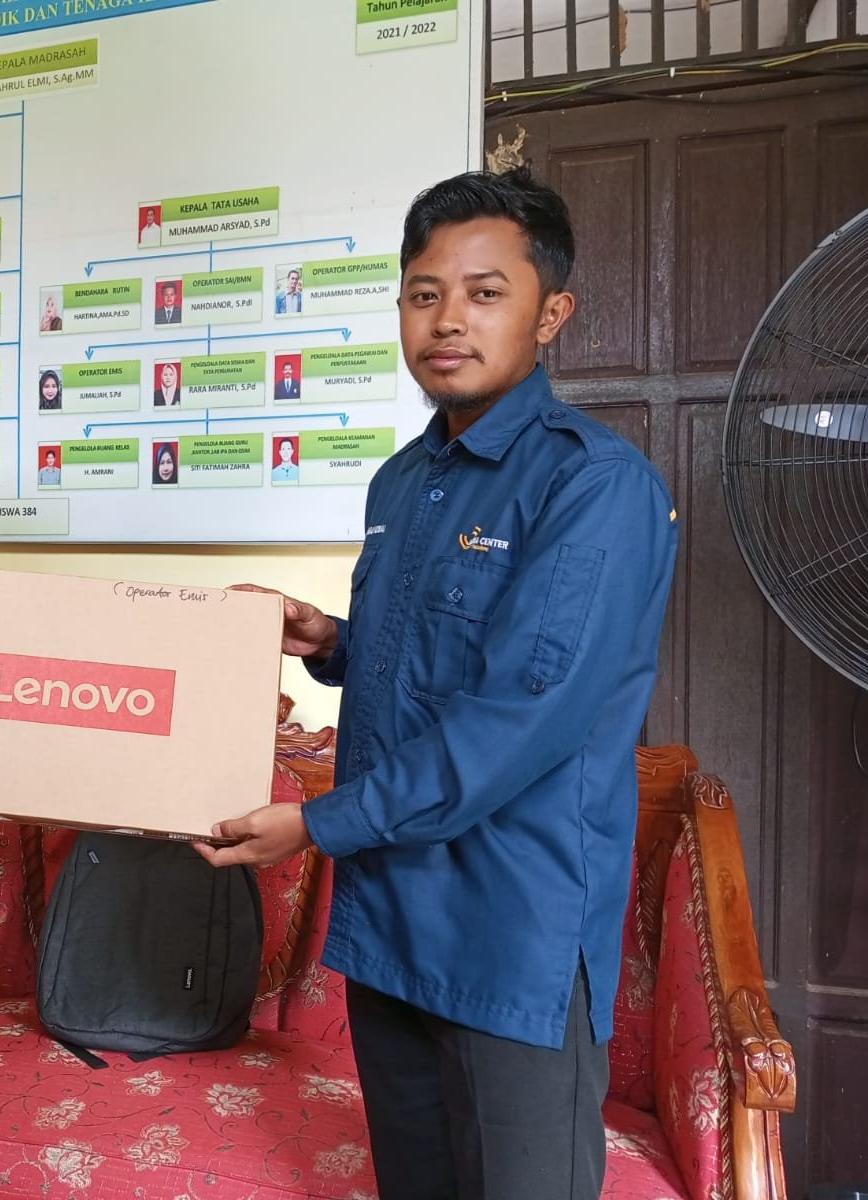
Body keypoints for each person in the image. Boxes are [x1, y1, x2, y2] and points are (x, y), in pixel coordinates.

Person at [199, 168, 679, 1200]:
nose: (447, 319)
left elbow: (519, 721)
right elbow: (426, 657)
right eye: (424, 293)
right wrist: (329, 640)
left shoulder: (594, 485)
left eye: (484, 293)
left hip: (510, 934)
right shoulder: (403, 481)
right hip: (391, 924)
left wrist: (314, 824)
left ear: (551, 313)